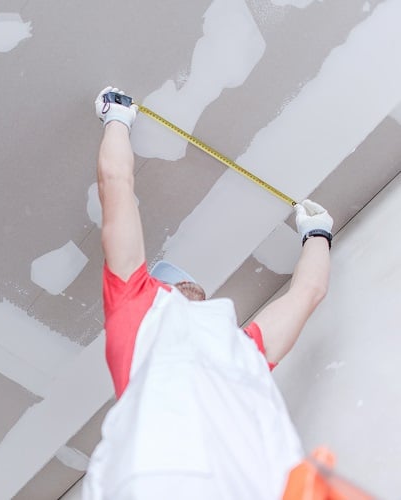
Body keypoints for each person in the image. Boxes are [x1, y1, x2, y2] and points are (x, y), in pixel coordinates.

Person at [83, 87, 334, 500]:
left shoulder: (144, 309)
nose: (185, 282)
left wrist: (318, 232)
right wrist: (319, 235)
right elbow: (309, 292)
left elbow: (309, 292)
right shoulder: (235, 346)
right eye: (172, 278)